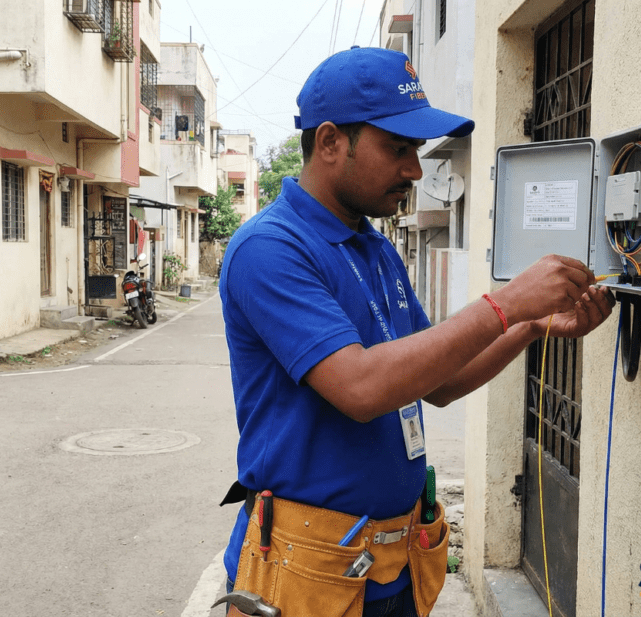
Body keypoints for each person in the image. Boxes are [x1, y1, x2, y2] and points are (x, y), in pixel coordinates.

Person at [217, 46, 612, 617]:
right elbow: (361, 389)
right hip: (305, 573)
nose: (415, 169)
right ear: (329, 143)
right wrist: (505, 303)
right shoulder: (271, 249)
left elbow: (441, 382)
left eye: (417, 150)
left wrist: (531, 325)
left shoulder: (376, 248)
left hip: (391, 566)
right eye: (397, 148)